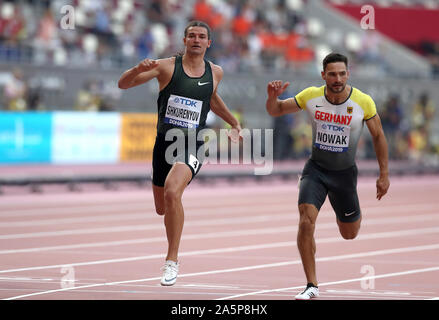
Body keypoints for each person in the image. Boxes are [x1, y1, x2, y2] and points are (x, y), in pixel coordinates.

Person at [118, 21, 242, 286]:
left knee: (173, 192)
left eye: (202, 37)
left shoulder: (215, 72)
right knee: (162, 207)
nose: (196, 40)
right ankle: (171, 233)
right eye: (192, 36)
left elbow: (211, 97)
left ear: (209, 43)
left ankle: (171, 261)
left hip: (194, 142)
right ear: (184, 40)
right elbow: (123, 84)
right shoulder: (165, 66)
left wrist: (233, 121)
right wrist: (137, 69)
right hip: (164, 143)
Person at [265, 53, 390, 300]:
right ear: (323, 75)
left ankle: (346, 210)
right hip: (316, 170)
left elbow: (378, 136)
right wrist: (272, 97)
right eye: (332, 74)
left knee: (349, 233)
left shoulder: (363, 102)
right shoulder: (311, 96)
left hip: (344, 176)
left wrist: (384, 174)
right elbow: (276, 110)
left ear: (348, 74)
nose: (337, 79)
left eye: (342, 73)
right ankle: (311, 284)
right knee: (305, 220)